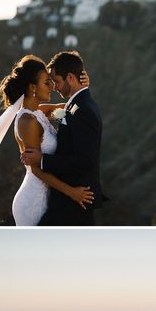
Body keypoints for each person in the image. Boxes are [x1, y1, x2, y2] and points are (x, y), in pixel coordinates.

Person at [0, 55, 95, 225]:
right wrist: (72, 192)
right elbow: (36, 170)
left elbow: (70, 107)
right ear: (33, 87)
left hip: (49, 198)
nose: (52, 87)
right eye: (47, 82)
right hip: (33, 201)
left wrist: (82, 87)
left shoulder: (40, 112)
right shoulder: (28, 122)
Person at [21, 50, 104, 226]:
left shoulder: (83, 110)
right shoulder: (75, 106)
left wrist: (42, 160)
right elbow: (46, 112)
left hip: (77, 197)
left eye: (56, 81)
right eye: (49, 82)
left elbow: (85, 160)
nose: (54, 87)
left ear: (71, 78)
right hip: (66, 198)